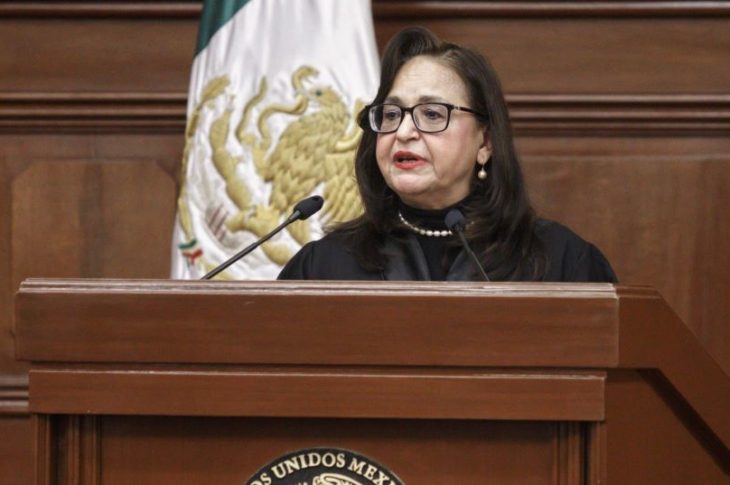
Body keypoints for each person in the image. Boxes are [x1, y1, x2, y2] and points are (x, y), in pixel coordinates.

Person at [278, 27, 616, 282]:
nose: (404, 132)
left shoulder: (561, 263)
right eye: (392, 114)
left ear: (485, 143)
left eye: (432, 114)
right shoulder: (322, 267)